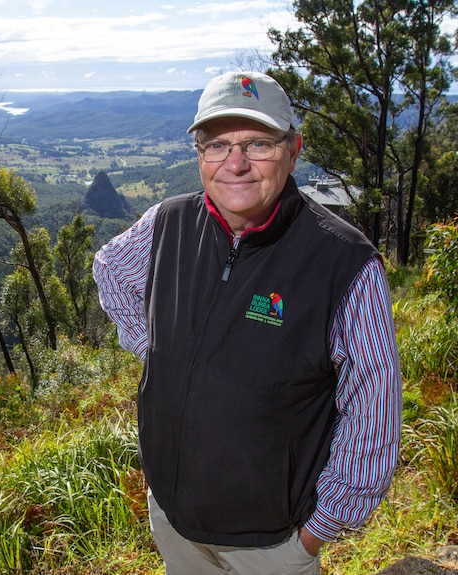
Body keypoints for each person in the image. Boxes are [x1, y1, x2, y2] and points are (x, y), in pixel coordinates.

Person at [92, 71, 402, 575]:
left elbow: (373, 405)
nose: (235, 163)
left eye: (257, 143)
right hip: (174, 518)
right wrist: (157, 347)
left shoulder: (343, 263)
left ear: (293, 150)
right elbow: (110, 269)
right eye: (217, 145)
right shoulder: (166, 223)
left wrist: (313, 534)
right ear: (199, 154)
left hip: (272, 543)